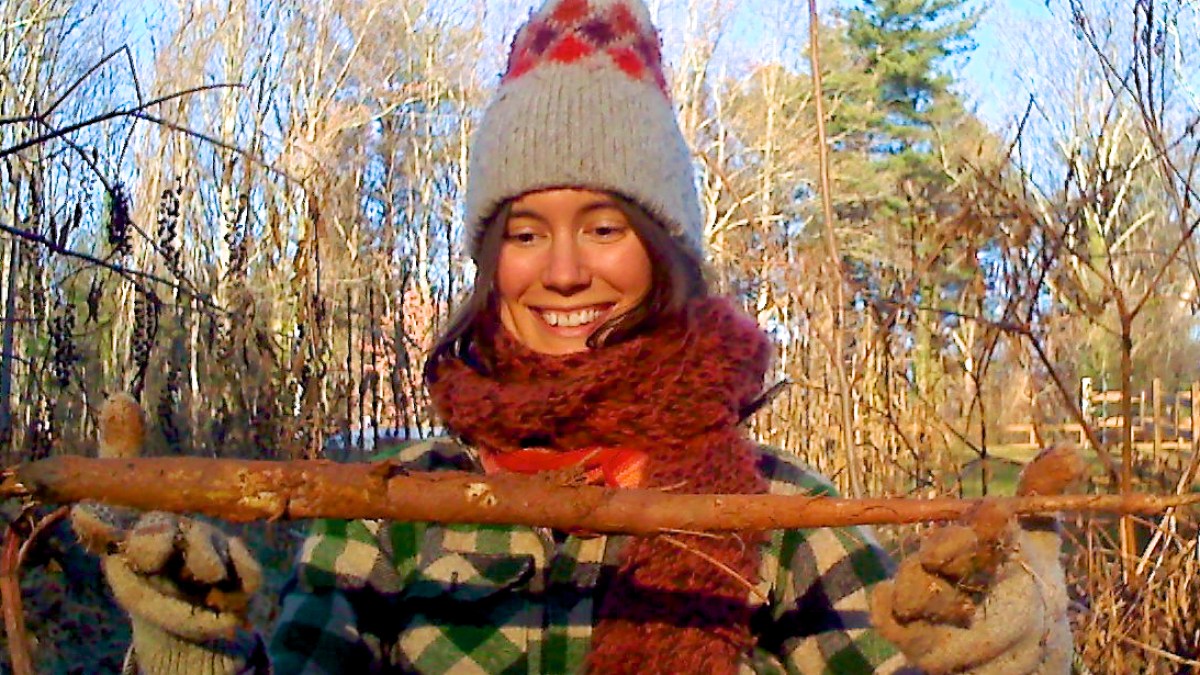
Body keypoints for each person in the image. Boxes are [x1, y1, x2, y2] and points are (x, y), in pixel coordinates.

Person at [71, 0, 1074, 672]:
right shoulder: (389, 510)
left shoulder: (770, 513)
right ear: (488, 260)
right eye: (524, 231)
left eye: (604, 227)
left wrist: (1004, 649)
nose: (561, 270)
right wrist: (188, 648)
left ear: (664, 252)